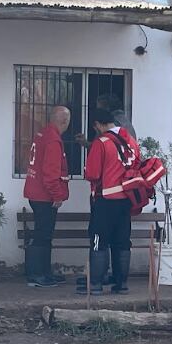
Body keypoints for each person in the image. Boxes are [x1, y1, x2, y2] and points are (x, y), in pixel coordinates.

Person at [79, 108, 140, 295]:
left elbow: (93, 174)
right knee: (122, 242)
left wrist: (85, 169)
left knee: (99, 241)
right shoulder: (131, 141)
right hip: (126, 200)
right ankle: (121, 285)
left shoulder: (101, 142)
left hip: (105, 199)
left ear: (98, 124)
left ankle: (95, 285)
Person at [23, 105, 71, 287]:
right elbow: (51, 173)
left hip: (36, 192)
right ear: (64, 121)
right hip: (45, 196)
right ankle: (37, 275)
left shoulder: (42, 134)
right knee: (43, 235)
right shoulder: (53, 140)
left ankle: (44, 272)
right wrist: (57, 195)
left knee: (44, 234)